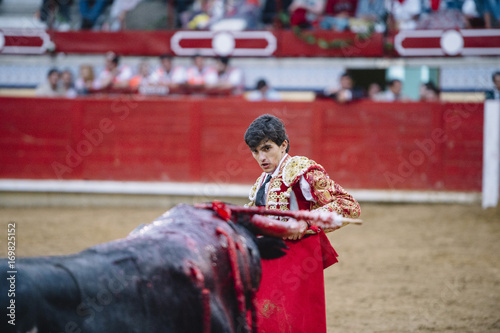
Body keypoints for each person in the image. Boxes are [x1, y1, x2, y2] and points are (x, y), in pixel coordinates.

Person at [244, 114, 360, 333]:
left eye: (267, 148)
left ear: (283, 145)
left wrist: (305, 224)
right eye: (255, 151)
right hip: (269, 257)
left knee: (297, 321)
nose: (261, 157)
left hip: (299, 259)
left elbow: (349, 205)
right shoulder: (261, 182)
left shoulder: (302, 171)